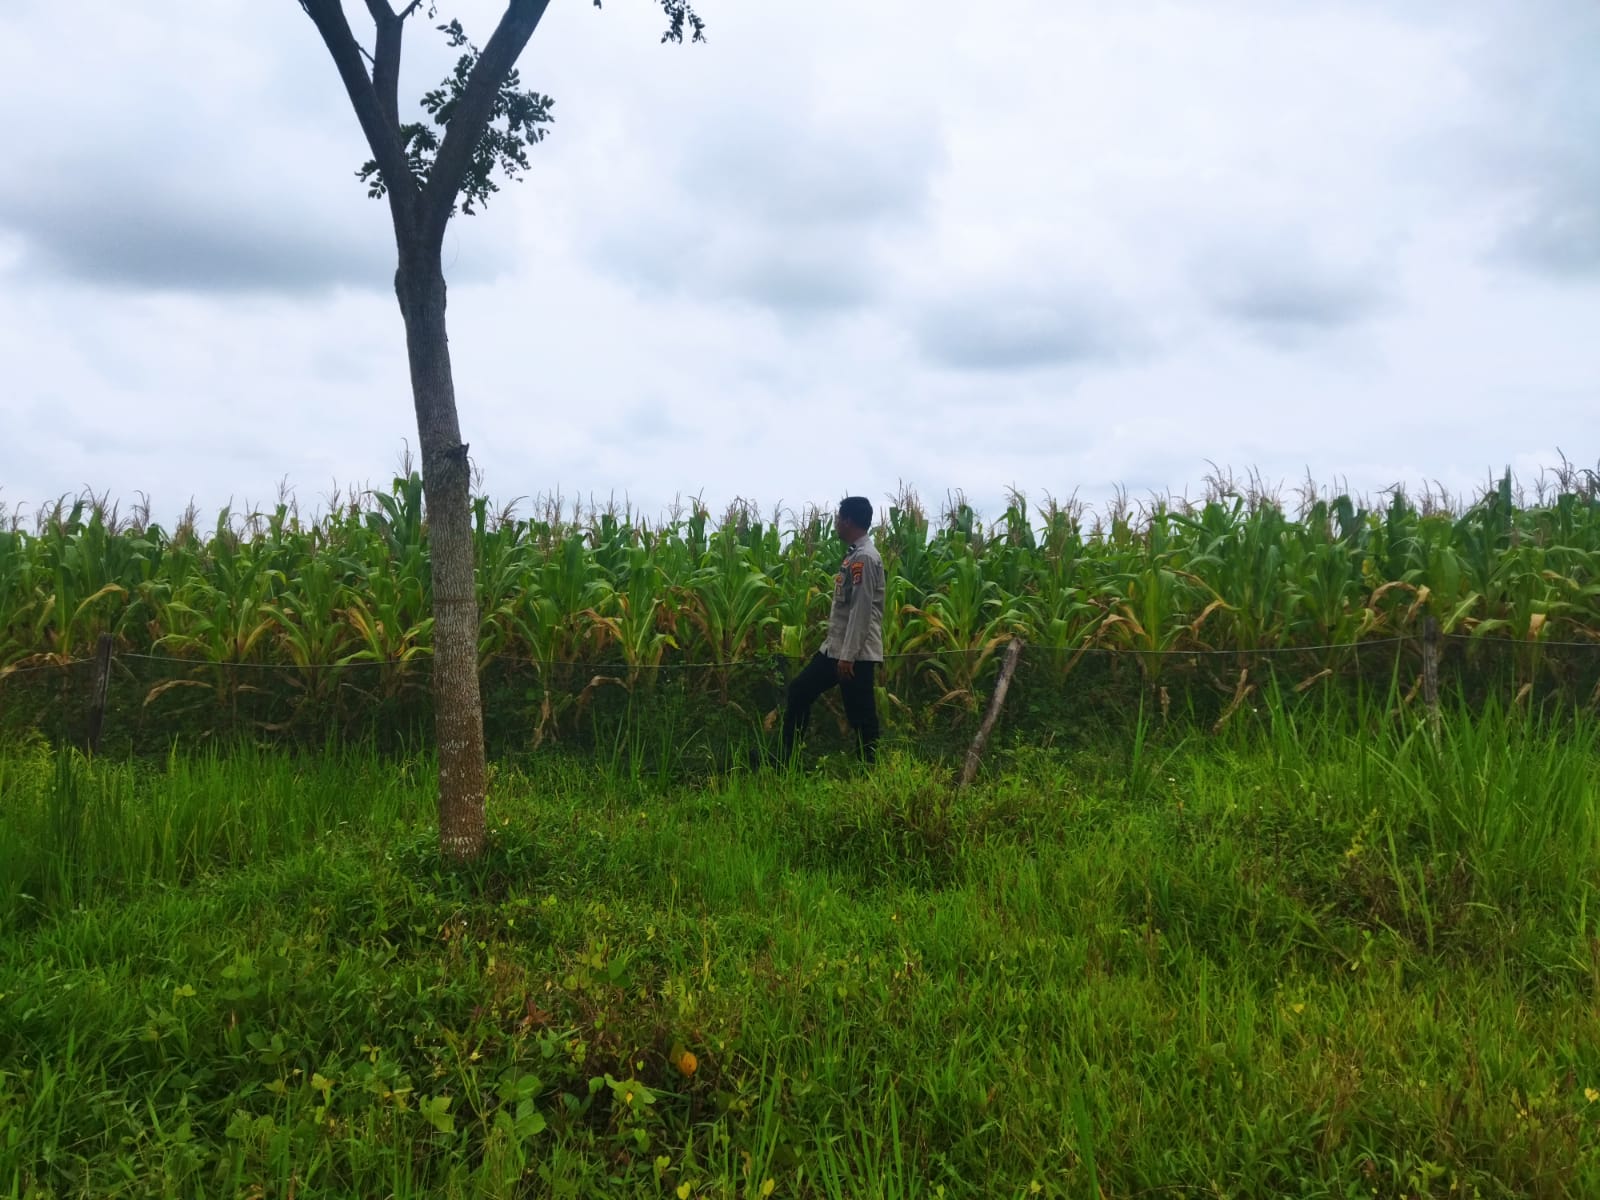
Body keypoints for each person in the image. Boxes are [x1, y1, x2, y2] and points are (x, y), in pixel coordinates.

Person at [780, 495, 886, 764]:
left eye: (838, 518)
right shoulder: (855, 555)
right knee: (800, 690)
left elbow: (861, 611)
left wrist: (848, 656)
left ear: (848, 521)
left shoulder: (864, 558)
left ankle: (869, 769)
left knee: (860, 713)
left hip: (854, 654)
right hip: (836, 650)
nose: (836, 523)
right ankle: (785, 758)